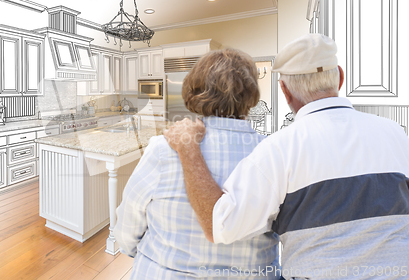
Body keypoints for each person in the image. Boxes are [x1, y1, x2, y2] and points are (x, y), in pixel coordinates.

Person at [163, 34, 409, 280]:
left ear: (285, 90)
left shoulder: (279, 149)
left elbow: (221, 226)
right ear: (340, 77)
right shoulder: (398, 135)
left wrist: (188, 149)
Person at [114, 48, 280, 279]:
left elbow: (128, 224)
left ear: (194, 89)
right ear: (251, 94)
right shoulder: (275, 155)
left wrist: (145, 256)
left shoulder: (163, 149)